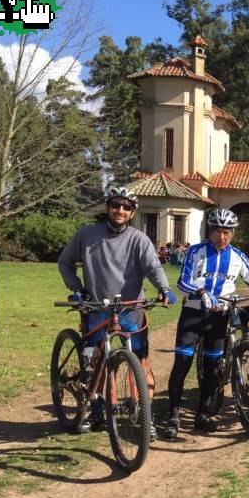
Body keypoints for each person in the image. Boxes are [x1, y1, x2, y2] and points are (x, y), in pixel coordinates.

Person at [58, 187, 176, 438]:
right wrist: (77, 288)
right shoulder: (86, 235)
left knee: (141, 364)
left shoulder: (139, 239)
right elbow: (65, 262)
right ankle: (97, 410)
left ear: (132, 212)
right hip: (97, 309)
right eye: (115, 205)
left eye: (126, 207)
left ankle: (146, 415)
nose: (120, 210)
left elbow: (153, 268)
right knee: (96, 362)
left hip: (131, 310)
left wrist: (164, 289)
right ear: (107, 207)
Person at [163, 208, 249, 439]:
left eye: (227, 232)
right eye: (217, 231)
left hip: (221, 317)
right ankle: (173, 415)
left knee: (213, 368)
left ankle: (202, 414)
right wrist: (201, 291)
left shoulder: (236, 255)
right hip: (194, 315)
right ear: (210, 230)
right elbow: (183, 281)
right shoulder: (195, 251)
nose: (222, 237)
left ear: (232, 233)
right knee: (182, 364)